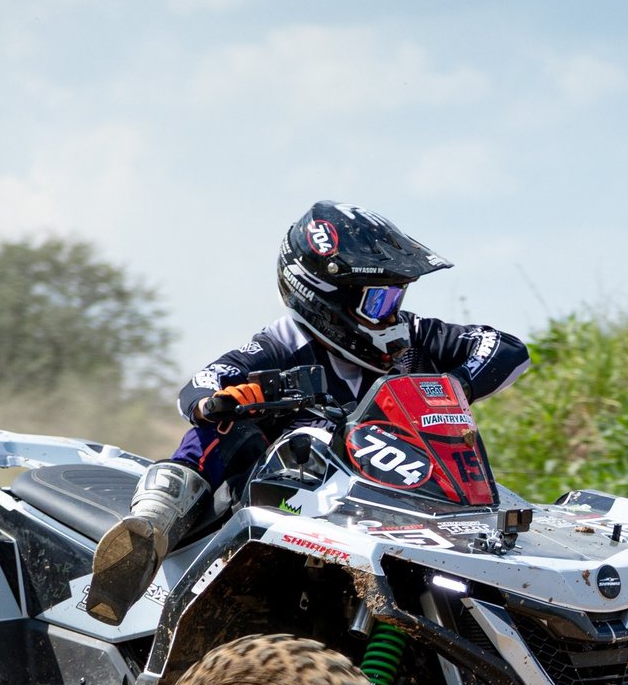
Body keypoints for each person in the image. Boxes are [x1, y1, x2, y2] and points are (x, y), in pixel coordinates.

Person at [86, 202, 531, 622]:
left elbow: (506, 348)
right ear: (327, 299)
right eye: (379, 301)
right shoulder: (279, 344)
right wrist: (217, 400)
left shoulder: (411, 334)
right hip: (286, 491)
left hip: (391, 497)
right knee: (225, 424)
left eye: (397, 298)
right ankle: (150, 526)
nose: (393, 313)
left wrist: (457, 385)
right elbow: (203, 383)